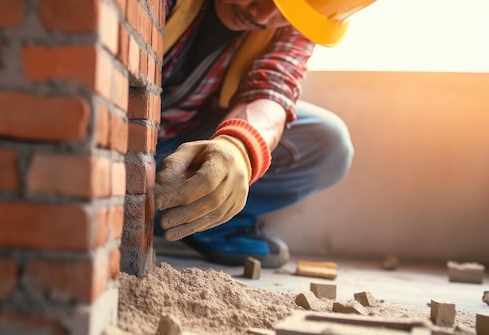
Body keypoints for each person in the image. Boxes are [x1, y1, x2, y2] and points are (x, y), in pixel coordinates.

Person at [154, 0, 377, 268]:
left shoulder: (297, 23)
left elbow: (274, 87)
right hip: (122, 146)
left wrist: (236, 147)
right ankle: (137, 205)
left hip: (189, 141)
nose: (262, 16)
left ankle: (207, 218)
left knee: (327, 142)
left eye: (285, 12)